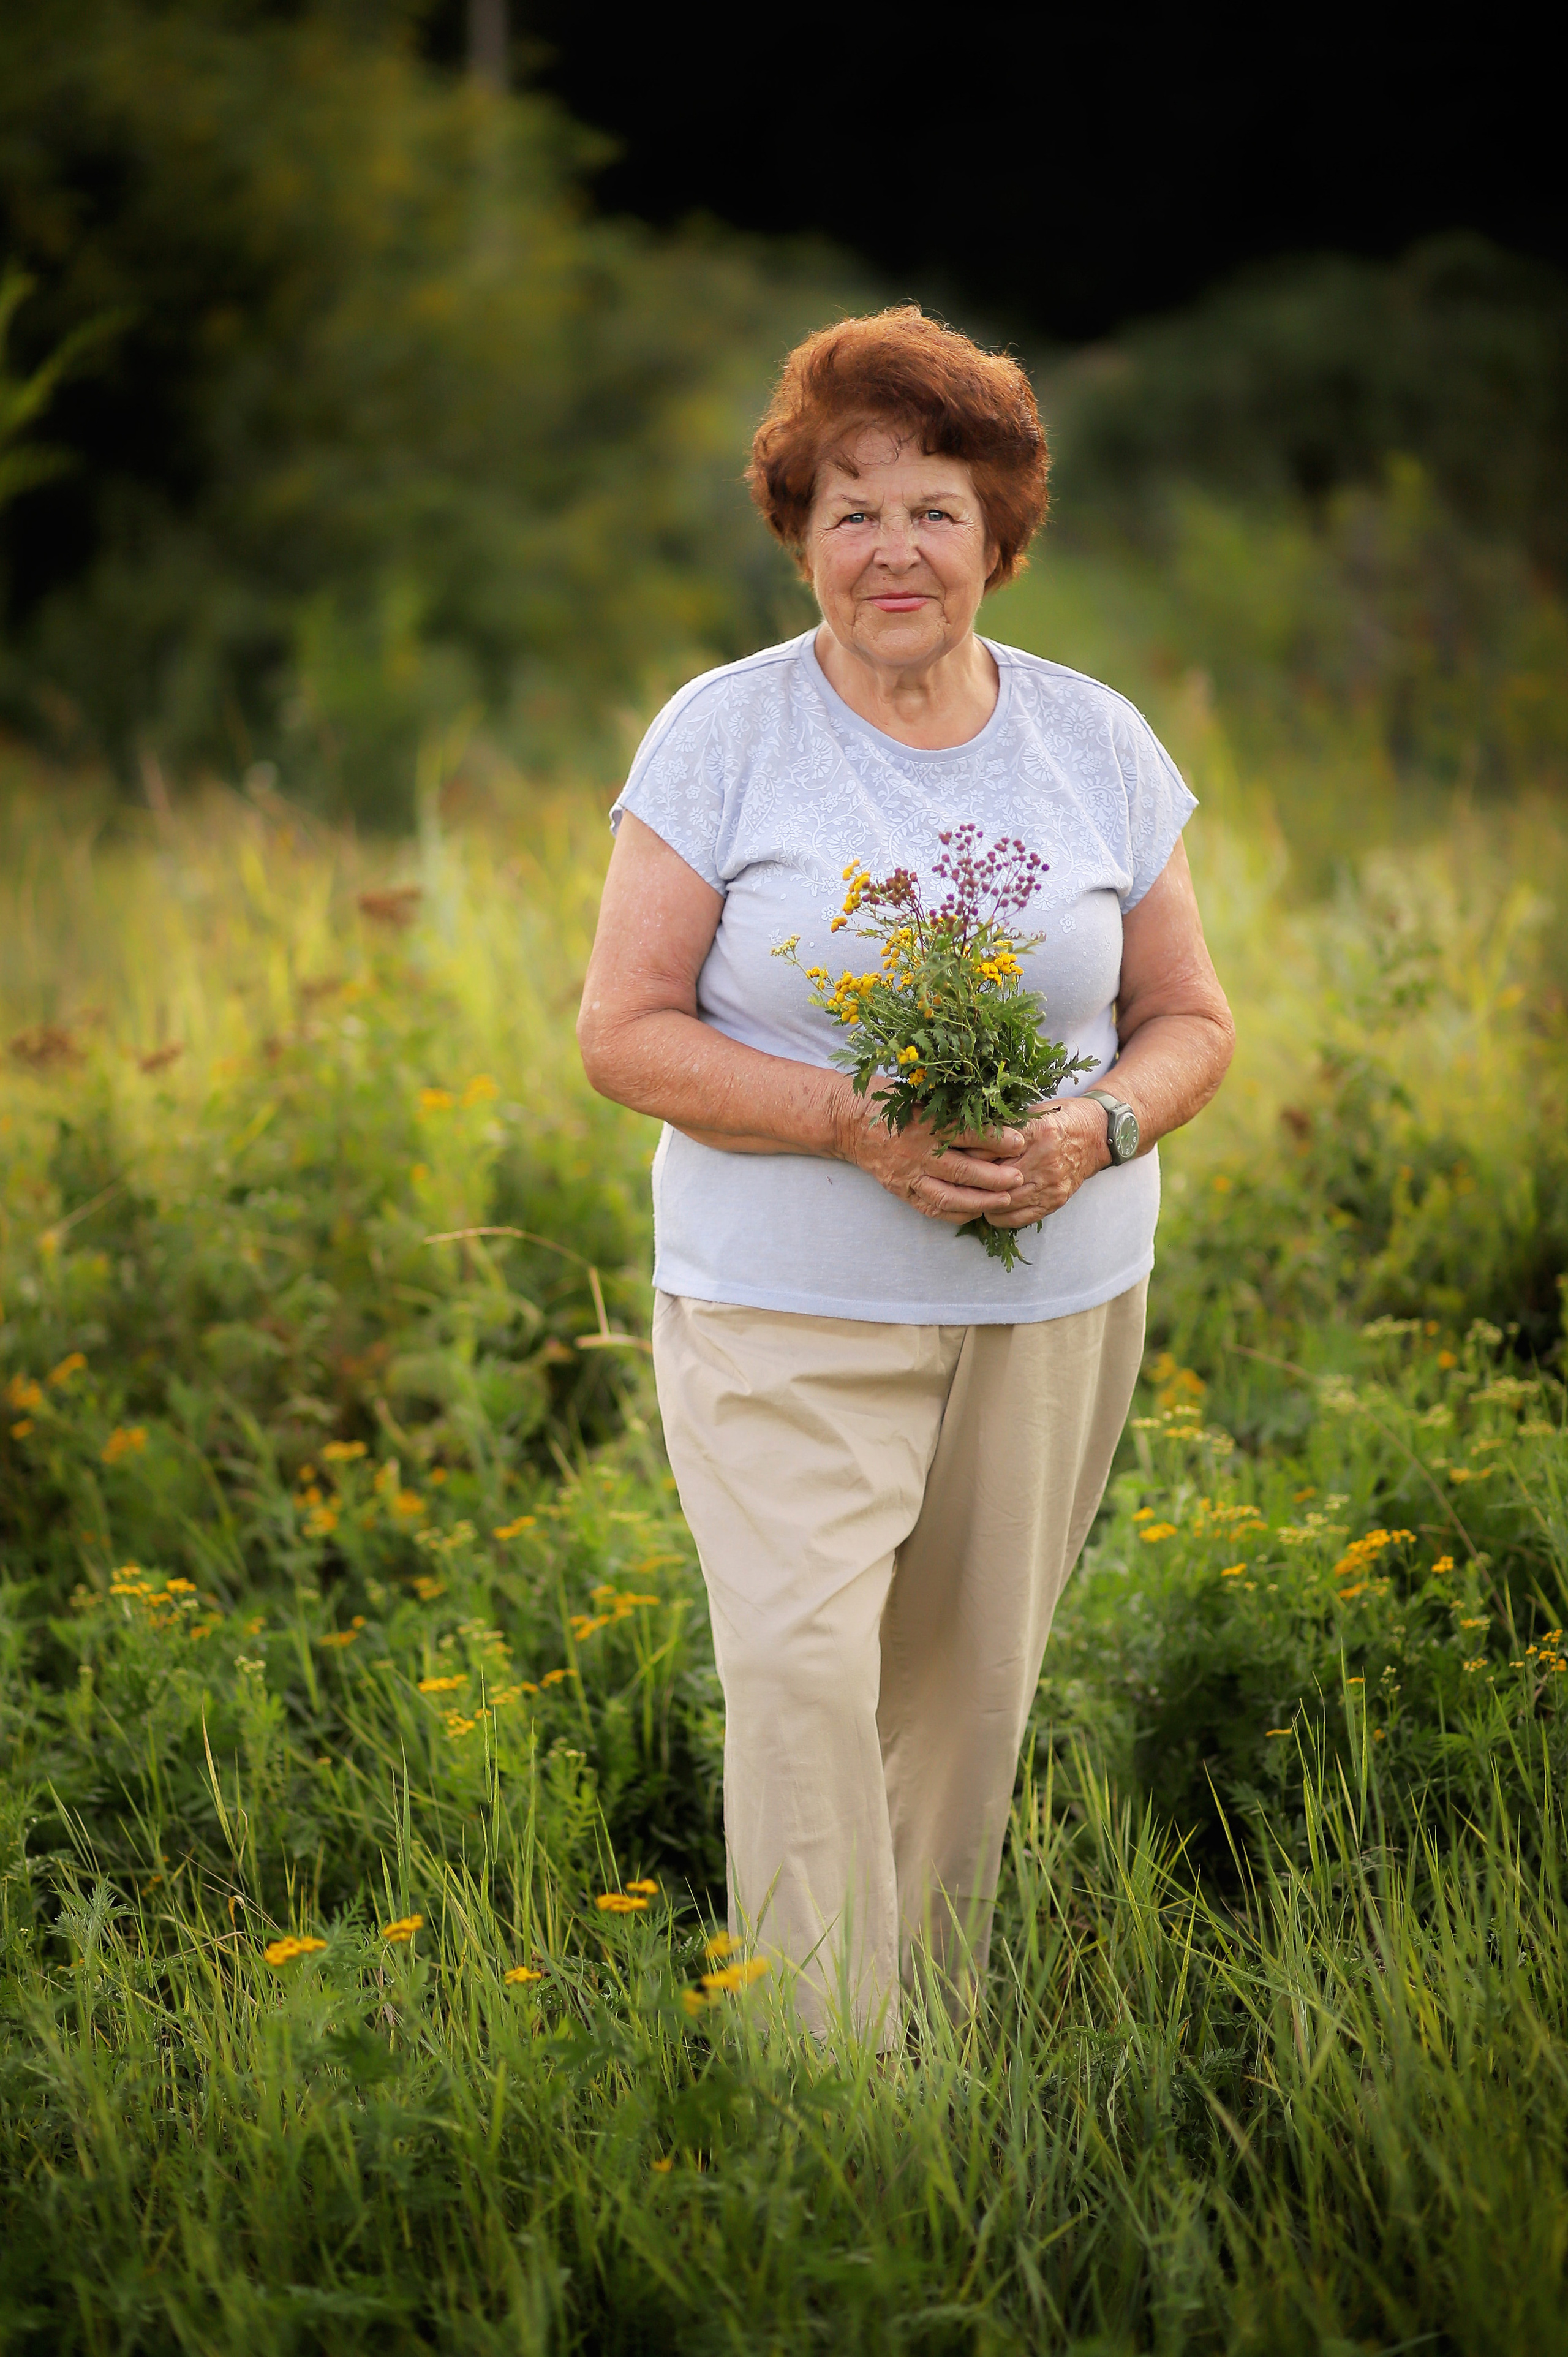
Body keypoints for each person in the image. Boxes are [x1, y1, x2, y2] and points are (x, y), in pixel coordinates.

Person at [577, 306, 1234, 2040]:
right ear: (797, 532)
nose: (894, 549)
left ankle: (927, 2060)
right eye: (851, 507)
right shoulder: (722, 738)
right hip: (782, 1313)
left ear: (999, 537)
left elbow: (1189, 1020)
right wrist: (856, 1124)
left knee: (961, 1707)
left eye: (935, 508)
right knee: (800, 1678)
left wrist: (1095, 1133)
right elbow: (625, 1034)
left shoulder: (1096, 745)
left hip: (1050, 1312)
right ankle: (824, 2095)